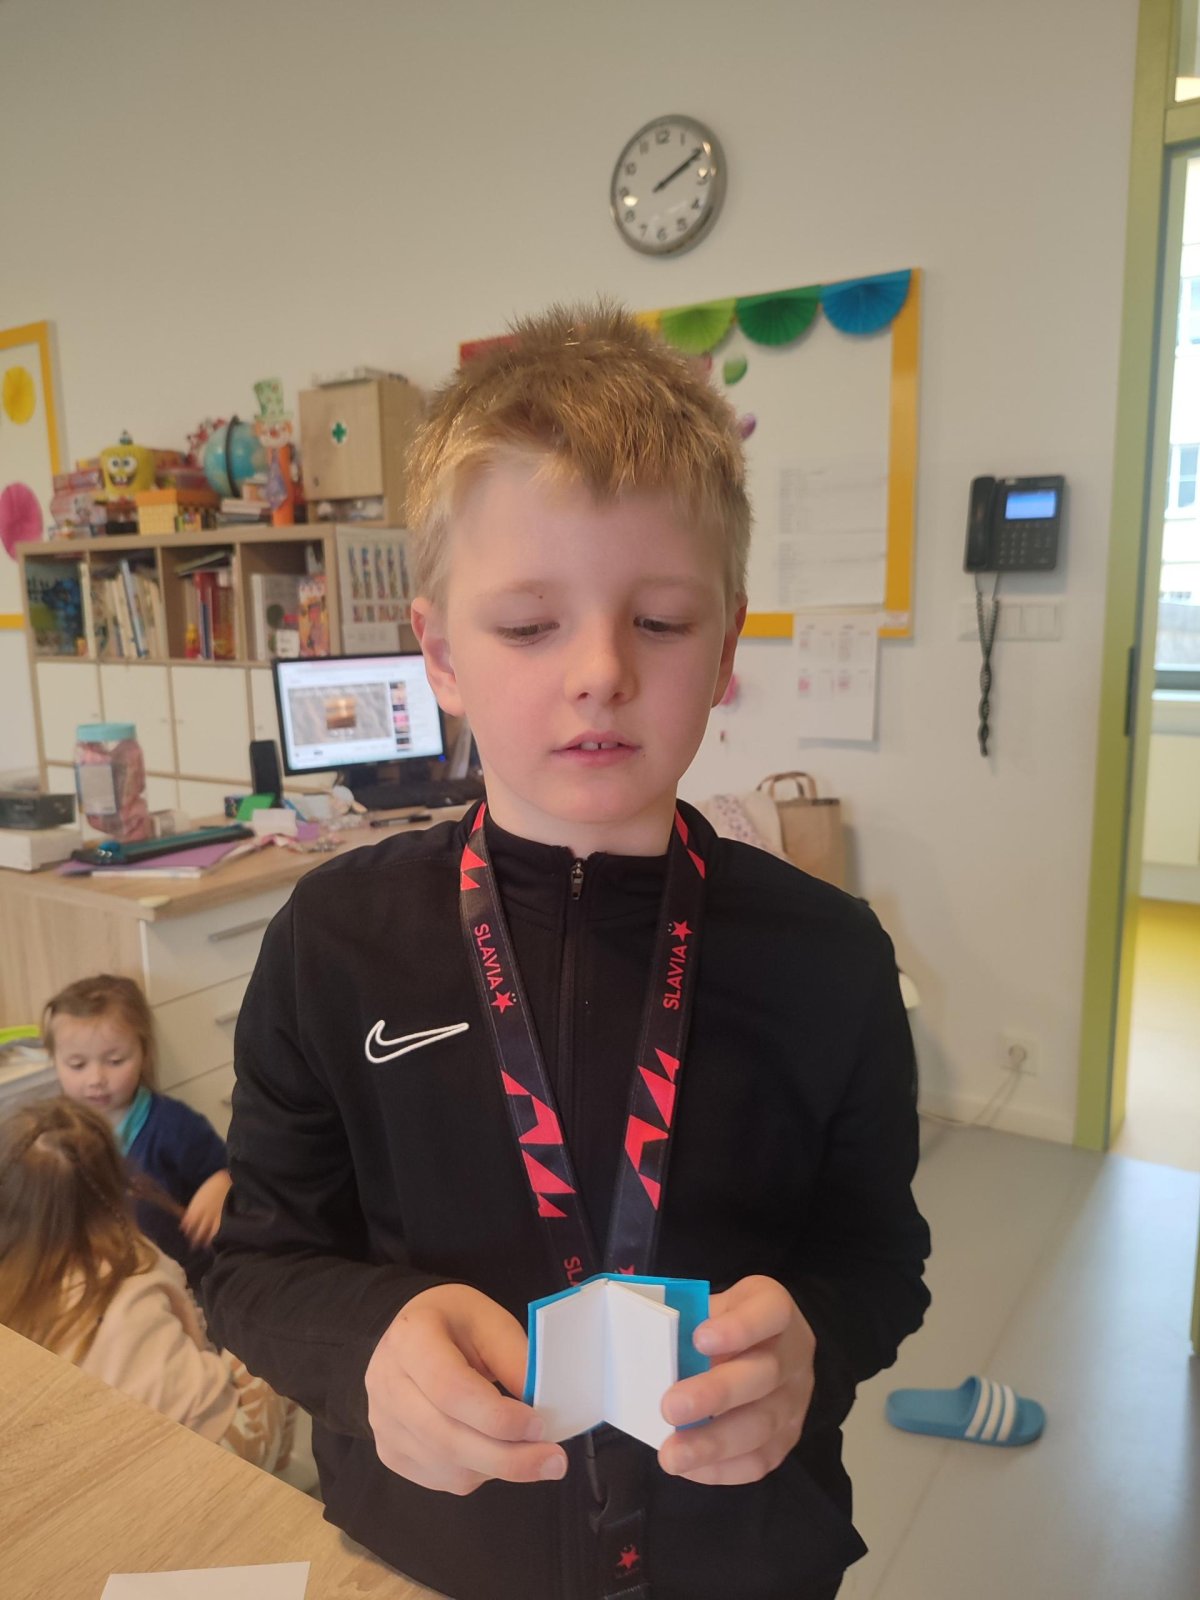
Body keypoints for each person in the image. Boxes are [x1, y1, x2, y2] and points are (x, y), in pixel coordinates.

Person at [205, 302, 931, 1600]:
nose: (599, 671)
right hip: (428, 1556)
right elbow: (256, 1267)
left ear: (725, 646)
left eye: (660, 621)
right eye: (530, 626)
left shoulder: (832, 959)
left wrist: (815, 1344)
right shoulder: (333, 944)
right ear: (441, 653)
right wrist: (366, 1345)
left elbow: (881, 1260)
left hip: (742, 1558)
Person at [0, 1097, 294, 1472]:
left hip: (103, 1458)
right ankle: (278, 1473)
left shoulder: (13, 1283)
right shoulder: (134, 1265)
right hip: (205, 1456)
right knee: (275, 1328)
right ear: (114, 1183)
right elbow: (195, 1333)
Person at [45, 973, 231, 1291]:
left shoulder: (174, 1125)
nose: (96, 1078)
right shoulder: (53, 1131)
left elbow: (227, 1169)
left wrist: (219, 1184)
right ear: (54, 1061)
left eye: (115, 1060)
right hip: (105, 1282)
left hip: (185, 1279)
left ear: (144, 1053)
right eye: (77, 1065)